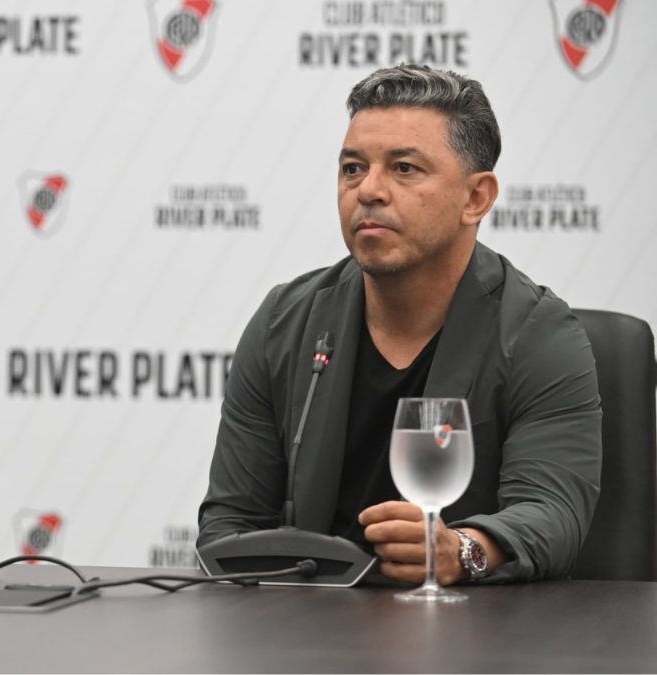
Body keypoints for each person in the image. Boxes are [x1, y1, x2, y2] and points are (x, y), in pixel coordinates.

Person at [198, 64, 602, 584]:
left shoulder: (539, 336)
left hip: (470, 642)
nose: (368, 190)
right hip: (304, 631)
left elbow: (552, 512)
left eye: (404, 168)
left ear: (475, 198)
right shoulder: (284, 322)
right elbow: (230, 525)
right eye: (352, 168)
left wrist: (462, 550)